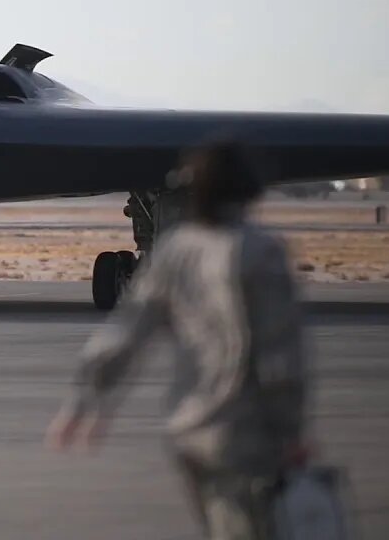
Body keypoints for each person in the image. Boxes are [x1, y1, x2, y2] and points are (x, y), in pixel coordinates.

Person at [46, 140, 309, 540]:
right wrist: (291, 432)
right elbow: (280, 353)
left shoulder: (176, 251)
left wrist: (86, 401)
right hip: (245, 432)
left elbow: (126, 331)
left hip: (190, 429)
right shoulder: (262, 252)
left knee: (220, 521)